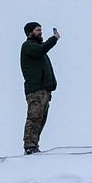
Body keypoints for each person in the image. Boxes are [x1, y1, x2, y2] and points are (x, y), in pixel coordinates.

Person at [20, 21, 60, 154]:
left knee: (41, 119)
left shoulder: (38, 48)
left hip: (44, 91)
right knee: (34, 117)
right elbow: (41, 49)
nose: (40, 32)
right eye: (37, 30)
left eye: (40, 30)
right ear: (29, 33)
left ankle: (34, 145)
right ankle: (30, 147)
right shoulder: (28, 46)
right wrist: (53, 39)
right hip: (35, 90)